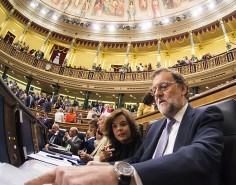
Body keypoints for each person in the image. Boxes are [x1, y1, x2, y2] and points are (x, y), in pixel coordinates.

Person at [25, 68, 224, 185]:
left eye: (163, 87)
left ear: (182, 88)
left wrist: (122, 175)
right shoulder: (155, 127)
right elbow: (137, 159)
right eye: (154, 91)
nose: (157, 94)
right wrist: (103, 167)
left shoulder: (206, 115)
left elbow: (202, 156)